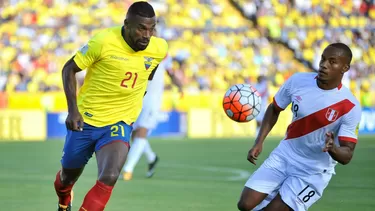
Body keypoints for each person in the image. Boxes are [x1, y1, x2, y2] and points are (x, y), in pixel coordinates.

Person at [53, 2, 168, 211]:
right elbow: (69, 69)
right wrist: (73, 110)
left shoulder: (159, 48)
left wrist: (137, 95)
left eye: (152, 28)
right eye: (142, 28)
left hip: (120, 122)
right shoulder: (103, 41)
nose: (147, 34)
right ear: (127, 24)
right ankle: (64, 200)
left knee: (110, 175)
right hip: (86, 120)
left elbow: (149, 71)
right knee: (66, 178)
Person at [237, 43, 362, 211]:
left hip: (313, 171)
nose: (324, 65)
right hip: (284, 155)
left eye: (332, 62)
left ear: (344, 68)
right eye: (323, 59)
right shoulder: (297, 81)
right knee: (245, 205)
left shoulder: (350, 105)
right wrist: (259, 142)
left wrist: (333, 149)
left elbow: (347, 155)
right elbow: (274, 108)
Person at [122, 54, 183, 181]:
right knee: (134, 134)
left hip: (152, 100)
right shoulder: (138, 49)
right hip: (137, 98)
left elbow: (170, 72)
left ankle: (128, 169)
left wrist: (180, 86)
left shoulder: (162, 53)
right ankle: (152, 158)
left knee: (141, 133)